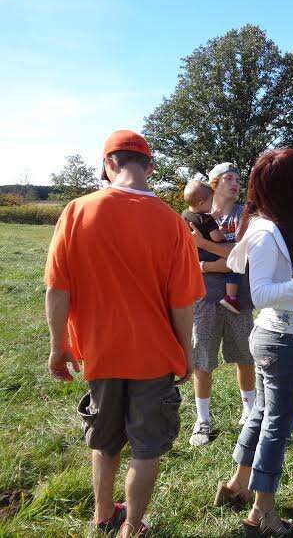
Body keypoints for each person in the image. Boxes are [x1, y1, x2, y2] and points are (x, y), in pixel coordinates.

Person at [44, 130, 205, 537]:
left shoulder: (77, 211)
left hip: (99, 353)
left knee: (105, 437)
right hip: (153, 357)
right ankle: (132, 527)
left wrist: (58, 347)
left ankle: (102, 514)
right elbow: (182, 303)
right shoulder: (172, 223)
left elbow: (57, 288)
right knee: (147, 446)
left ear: (108, 165)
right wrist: (186, 352)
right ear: (149, 167)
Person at [213, 148, 293, 537]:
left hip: (272, 340)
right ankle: (263, 513)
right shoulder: (264, 233)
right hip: (283, 343)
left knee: (261, 415)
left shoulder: (270, 226)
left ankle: (237, 485)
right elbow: (259, 294)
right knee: (277, 426)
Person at [187, 162, 256, 446]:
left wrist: (208, 261)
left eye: (238, 179)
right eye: (228, 178)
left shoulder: (246, 216)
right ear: (213, 184)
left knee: (245, 355)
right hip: (204, 299)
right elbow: (186, 252)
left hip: (239, 297)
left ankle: (250, 412)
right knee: (203, 358)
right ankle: (203, 419)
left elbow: (242, 255)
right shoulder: (195, 216)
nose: (235, 183)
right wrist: (219, 261)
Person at [182, 179, 242, 314]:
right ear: (201, 203)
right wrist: (222, 233)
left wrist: (212, 217)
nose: (212, 204)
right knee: (233, 265)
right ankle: (231, 297)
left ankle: (202, 266)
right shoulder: (207, 219)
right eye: (210, 201)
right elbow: (215, 237)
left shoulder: (185, 215)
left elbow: (198, 223)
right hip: (209, 253)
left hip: (196, 253)